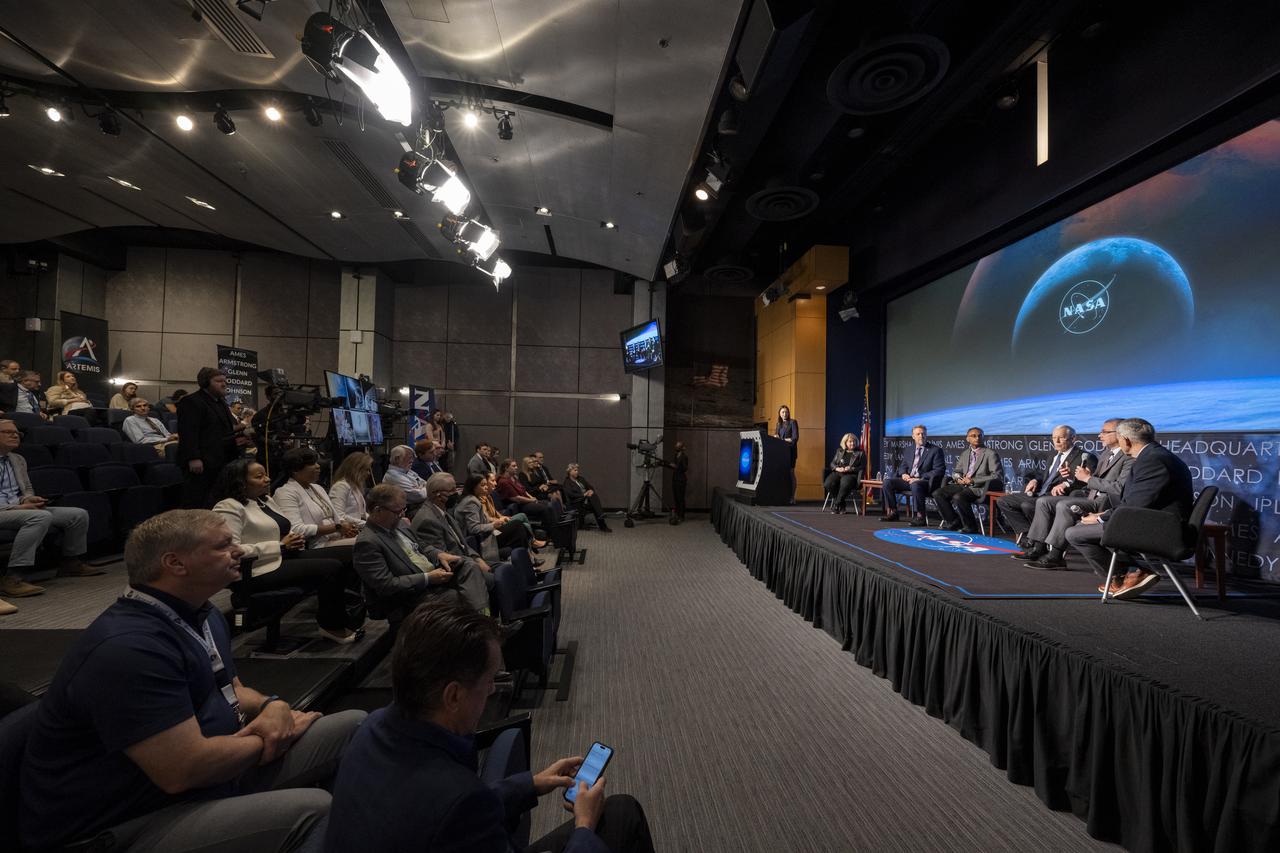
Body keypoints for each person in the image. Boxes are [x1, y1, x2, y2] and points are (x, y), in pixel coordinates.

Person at [18, 510, 367, 852]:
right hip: (127, 820)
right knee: (312, 809)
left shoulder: (203, 613)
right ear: (176, 564)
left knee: (354, 725)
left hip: (216, 771)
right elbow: (183, 770)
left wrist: (270, 705)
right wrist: (271, 736)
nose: (240, 551)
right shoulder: (129, 648)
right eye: (223, 545)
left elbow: (233, 688)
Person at [324, 601, 656, 853]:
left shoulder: (369, 729)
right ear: (453, 696)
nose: (493, 691)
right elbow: (453, 809)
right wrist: (584, 826)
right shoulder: (459, 801)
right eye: (487, 682)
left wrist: (532, 783)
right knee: (622, 814)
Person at [212, 460, 359, 644]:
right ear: (240, 481)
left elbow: (281, 529)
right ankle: (331, 625)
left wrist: (292, 539)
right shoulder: (228, 506)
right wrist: (280, 545)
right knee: (331, 567)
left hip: (281, 556)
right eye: (259, 476)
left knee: (350, 553)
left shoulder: (264, 500)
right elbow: (231, 550)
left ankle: (351, 613)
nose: (267, 479)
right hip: (255, 570)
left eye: (266, 474)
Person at [1065, 418, 1194, 599]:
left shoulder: (1152, 461)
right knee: (1083, 528)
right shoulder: (1153, 455)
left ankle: (1130, 573)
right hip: (1152, 519)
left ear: (1125, 440)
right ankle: (1127, 574)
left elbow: (1135, 505)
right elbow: (1138, 501)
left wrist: (1101, 518)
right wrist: (1104, 514)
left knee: (1075, 533)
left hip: (1162, 529)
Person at [353, 484, 487, 625]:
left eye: (403, 509)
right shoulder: (367, 542)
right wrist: (427, 578)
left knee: (469, 565)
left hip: (433, 576)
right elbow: (386, 585)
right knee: (457, 596)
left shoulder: (400, 525)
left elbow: (423, 546)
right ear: (377, 510)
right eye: (397, 511)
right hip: (409, 596)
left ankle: (484, 622)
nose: (402, 515)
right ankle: (481, 629)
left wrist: (439, 554)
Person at [0, 418, 99, 603]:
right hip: (5, 510)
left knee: (77, 514)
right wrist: (19, 507)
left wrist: (29, 498)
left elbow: (26, 488)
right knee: (39, 517)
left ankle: (70, 562)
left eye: (17, 433)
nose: (15, 435)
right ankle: (12, 577)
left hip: (19, 508)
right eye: (8, 432)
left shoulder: (18, 459)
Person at [1020, 418, 1134, 569]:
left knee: (1064, 505)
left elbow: (1119, 488)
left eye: (1105, 432)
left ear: (1120, 434)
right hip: (1090, 496)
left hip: (1106, 502)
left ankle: (1056, 555)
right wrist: (1076, 478)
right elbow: (1094, 479)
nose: (1100, 436)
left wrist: (1087, 478)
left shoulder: (1128, 458)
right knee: (1044, 501)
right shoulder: (1107, 454)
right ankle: (1038, 547)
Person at [996, 425, 1096, 541]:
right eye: (1054, 438)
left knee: (1027, 505)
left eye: (1061, 438)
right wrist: (1035, 480)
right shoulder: (1053, 455)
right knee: (1003, 501)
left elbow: (1088, 482)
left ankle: (1037, 540)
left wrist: (1067, 483)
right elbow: (1045, 475)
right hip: (1039, 492)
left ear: (1073, 438)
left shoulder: (1086, 457)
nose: (1057, 441)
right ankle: (1028, 533)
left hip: (1057, 496)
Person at [177, 367, 245, 508]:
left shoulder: (221, 402)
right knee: (199, 501)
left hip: (223, 459)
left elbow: (224, 430)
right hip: (203, 461)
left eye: (225, 381)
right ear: (205, 382)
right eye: (219, 381)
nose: (224, 384)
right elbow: (189, 432)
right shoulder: (191, 401)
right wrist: (193, 458)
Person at [931, 428, 1002, 533]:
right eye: (974, 436)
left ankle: (971, 526)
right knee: (938, 493)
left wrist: (973, 481)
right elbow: (956, 471)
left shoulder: (990, 454)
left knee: (959, 497)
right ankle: (954, 522)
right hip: (963, 484)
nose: (977, 438)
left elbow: (997, 475)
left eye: (980, 436)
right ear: (967, 439)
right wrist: (959, 478)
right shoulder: (965, 453)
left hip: (979, 487)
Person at [456, 474, 542, 559]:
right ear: (473, 487)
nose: (486, 487)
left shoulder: (475, 498)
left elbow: (485, 518)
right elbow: (474, 528)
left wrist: (497, 521)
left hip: (487, 533)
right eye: (482, 485)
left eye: (486, 484)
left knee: (519, 527)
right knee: (518, 525)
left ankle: (527, 559)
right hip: (482, 540)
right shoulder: (471, 502)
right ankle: (528, 559)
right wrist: (493, 525)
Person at [880, 424, 945, 524]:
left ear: (926, 435)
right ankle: (893, 512)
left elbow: (939, 470)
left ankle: (920, 517)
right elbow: (903, 465)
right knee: (887, 482)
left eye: (923, 434)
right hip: (909, 480)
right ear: (913, 436)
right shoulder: (909, 449)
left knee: (916, 484)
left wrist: (920, 477)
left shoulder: (935, 450)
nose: (921, 436)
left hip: (925, 482)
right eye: (918, 434)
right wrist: (903, 474)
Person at [496, 458, 560, 534]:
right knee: (545, 508)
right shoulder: (503, 481)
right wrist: (531, 500)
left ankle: (556, 529)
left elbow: (524, 491)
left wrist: (532, 498)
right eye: (513, 466)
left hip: (525, 502)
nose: (516, 468)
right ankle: (551, 534)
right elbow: (516, 498)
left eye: (516, 466)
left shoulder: (513, 478)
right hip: (518, 506)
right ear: (506, 468)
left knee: (548, 504)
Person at [822, 433, 865, 515]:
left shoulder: (860, 453)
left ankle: (837, 504)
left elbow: (862, 467)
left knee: (845, 483)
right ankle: (842, 504)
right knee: (828, 483)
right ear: (845, 442)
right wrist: (837, 468)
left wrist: (851, 468)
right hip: (839, 472)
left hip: (851, 474)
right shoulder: (840, 451)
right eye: (850, 441)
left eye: (854, 441)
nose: (853, 443)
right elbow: (832, 463)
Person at [329, 451, 373, 530]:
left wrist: (375, 520)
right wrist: (366, 523)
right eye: (366, 470)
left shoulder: (355, 487)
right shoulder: (340, 487)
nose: (368, 473)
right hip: (345, 532)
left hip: (358, 529)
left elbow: (362, 514)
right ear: (357, 469)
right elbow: (338, 516)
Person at [563, 462, 611, 531]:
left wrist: (591, 490)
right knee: (594, 504)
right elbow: (571, 495)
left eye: (577, 470)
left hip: (586, 500)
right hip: (576, 502)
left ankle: (601, 519)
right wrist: (584, 494)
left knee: (593, 497)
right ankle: (602, 523)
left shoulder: (581, 479)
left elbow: (590, 486)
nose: (577, 472)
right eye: (575, 470)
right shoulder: (567, 482)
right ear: (570, 472)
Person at [775, 404, 799, 502]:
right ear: (780, 414)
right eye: (782, 412)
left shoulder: (793, 422)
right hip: (781, 453)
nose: (785, 414)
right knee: (781, 474)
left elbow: (795, 438)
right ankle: (782, 496)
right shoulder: (778, 424)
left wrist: (781, 439)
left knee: (791, 473)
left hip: (790, 452)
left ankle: (792, 497)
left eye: (786, 412)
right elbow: (776, 438)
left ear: (788, 413)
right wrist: (783, 439)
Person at [670, 441, 689, 522]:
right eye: (676, 445)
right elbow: (674, 466)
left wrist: (676, 466)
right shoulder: (675, 455)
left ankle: (682, 516)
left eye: (677, 446)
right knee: (676, 498)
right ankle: (677, 514)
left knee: (680, 498)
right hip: (675, 479)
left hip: (681, 480)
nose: (676, 447)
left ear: (681, 447)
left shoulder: (684, 457)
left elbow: (685, 468)